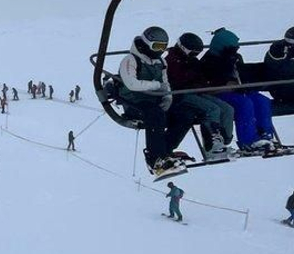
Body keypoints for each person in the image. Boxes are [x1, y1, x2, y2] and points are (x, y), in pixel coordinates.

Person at [118, 24, 196, 175]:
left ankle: (165, 152)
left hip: (154, 100)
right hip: (133, 102)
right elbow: (131, 84)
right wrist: (156, 86)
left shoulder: (161, 62)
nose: (159, 51)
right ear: (147, 43)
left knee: (185, 115)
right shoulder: (130, 60)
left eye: (163, 47)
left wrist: (167, 96)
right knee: (156, 115)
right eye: (157, 46)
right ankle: (155, 159)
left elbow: (165, 83)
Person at [200, 28, 277, 152]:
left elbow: (240, 74)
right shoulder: (209, 62)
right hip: (219, 94)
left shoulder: (234, 58)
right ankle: (248, 141)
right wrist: (230, 86)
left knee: (262, 101)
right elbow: (206, 87)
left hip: (238, 90)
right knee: (244, 104)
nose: (235, 52)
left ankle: (266, 135)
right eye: (232, 49)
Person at [164, 32, 236, 160]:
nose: (195, 56)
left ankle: (224, 141)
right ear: (183, 49)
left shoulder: (192, 61)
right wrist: (192, 80)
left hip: (196, 92)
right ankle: (211, 146)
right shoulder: (171, 61)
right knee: (212, 109)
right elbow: (176, 81)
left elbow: (200, 78)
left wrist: (202, 83)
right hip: (180, 95)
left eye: (197, 54)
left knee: (227, 109)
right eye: (193, 53)